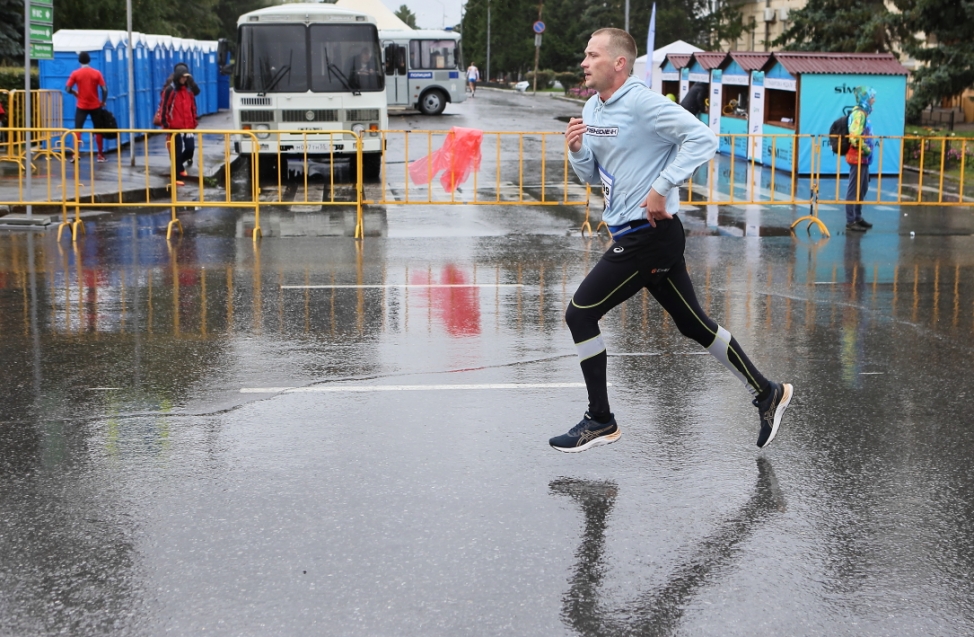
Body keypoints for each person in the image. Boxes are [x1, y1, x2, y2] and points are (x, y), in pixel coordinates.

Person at [554, 28, 793, 453]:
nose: (584, 63)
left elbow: (703, 139)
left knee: (580, 314)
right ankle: (767, 391)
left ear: (619, 63)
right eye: (584, 55)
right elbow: (593, 177)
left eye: (592, 55)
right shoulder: (592, 107)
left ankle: (600, 419)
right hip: (636, 234)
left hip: (650, 235)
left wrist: (661, 186)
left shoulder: (644, 103)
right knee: (694, 324)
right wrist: (576, 150)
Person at [159, 63, 200, 186]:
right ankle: (176, 174)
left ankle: (178, 166)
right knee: (176, 151)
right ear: (177, 76)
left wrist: (194, 120)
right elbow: (164, 107)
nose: (184, 79)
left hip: (188, 125)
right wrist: (166, 124)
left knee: (190, 149)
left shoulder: (188, 90)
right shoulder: (171, 90)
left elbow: (193, 103)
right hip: (174, 126)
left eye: (186, 77)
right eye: (183, 76)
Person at [65, 52, 108, 162]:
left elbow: (67, 88)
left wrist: (75, 93)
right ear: (89, 61)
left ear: (79, 61)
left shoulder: (75, 73)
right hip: (95, 105)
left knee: (78, 129)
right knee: (98, 129)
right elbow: (104, 89)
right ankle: (100, 155)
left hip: (81, 105)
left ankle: (76, 154)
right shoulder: (96, 73)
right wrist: (103, 101)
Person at [845, 86, 876, 232]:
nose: (874, 99)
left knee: (862, 188)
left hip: (864, 159)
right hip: (858, 157)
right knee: (854, 189)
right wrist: (866, 149)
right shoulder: (859, 114)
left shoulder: (864, 113)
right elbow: (854, 137)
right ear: (865, 98)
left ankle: (857, 217)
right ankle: (851, 220)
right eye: (872, 96)